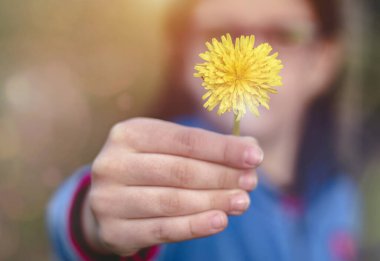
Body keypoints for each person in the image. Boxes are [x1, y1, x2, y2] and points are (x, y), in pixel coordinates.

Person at [47, 0, 362, 260]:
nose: (248, 52)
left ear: (322, 62)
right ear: (183, 56)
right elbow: (96, 206)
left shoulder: (338, 192)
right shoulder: (172, 167)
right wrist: (91, 217)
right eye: (222, 33)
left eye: (283, 34)